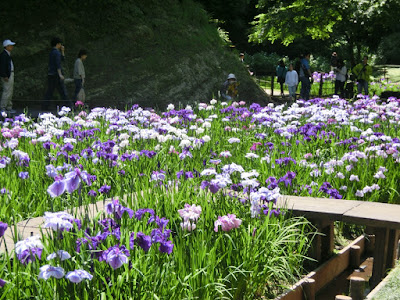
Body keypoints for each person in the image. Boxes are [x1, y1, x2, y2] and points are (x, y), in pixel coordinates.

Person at [42, 37, 72, 110]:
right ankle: (69, 106)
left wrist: (62, 51)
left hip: (51, 74)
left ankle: (45, 106)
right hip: (56, 75)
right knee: (63, 91)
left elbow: (61, 59)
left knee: (50, 91)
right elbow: (58, 64)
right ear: (58, 44)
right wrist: (60, 74)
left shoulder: (52, 52)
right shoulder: (57, 52)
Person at [0, 39, 16, 113]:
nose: (12, 47)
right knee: (7, 91)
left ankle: (9, 107)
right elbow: (2, 66)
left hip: (10, 74)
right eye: (10, 46)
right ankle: (3, 107)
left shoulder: (7, 54)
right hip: (7, 75)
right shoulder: (4, 55)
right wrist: (4, 75)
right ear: (6, 46)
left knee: (10, 91)